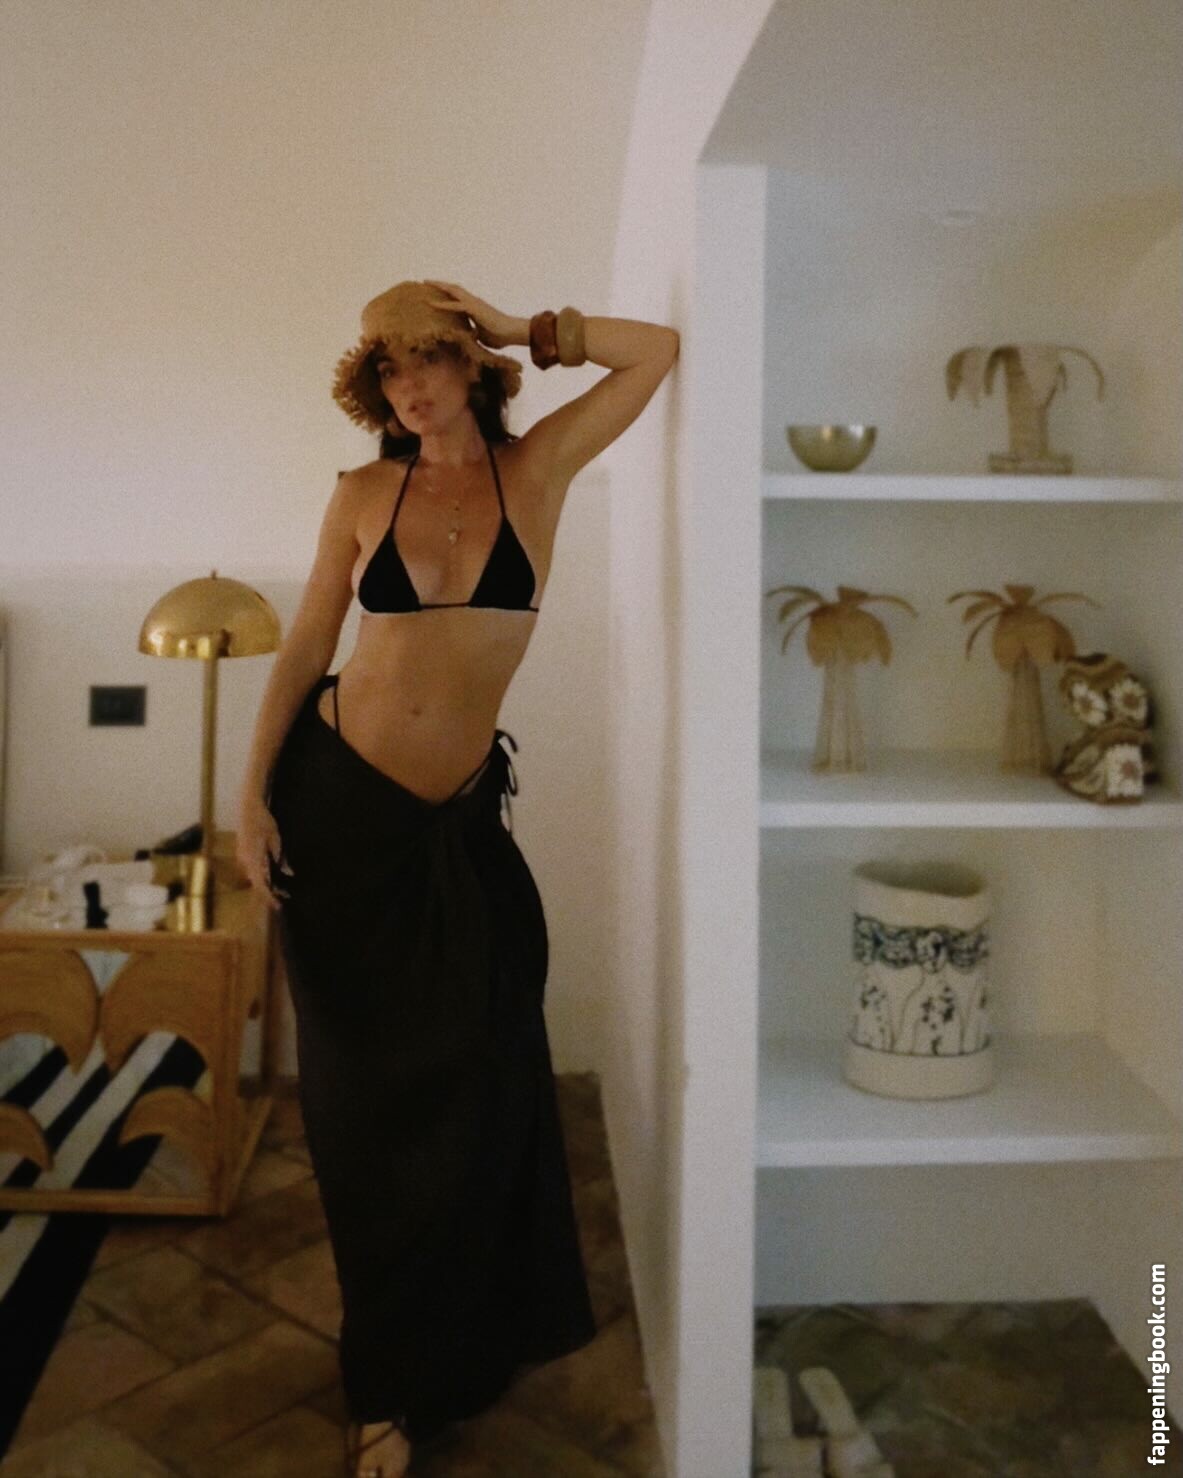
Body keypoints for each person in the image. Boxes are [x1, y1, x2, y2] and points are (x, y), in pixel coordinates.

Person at [235, 279, 678, 1477]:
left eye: (429, 358)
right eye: (388, 368)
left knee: (487, 1076)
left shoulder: (537, 470)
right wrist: (251, 796)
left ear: (470, 365)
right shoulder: (359, 494)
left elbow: (654, 352)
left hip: (460, 829)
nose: (410, 385)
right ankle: (386, 1384)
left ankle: (477, 1330)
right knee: (362, 1117)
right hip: (338, 820)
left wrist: (515, 323)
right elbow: (307, 645)